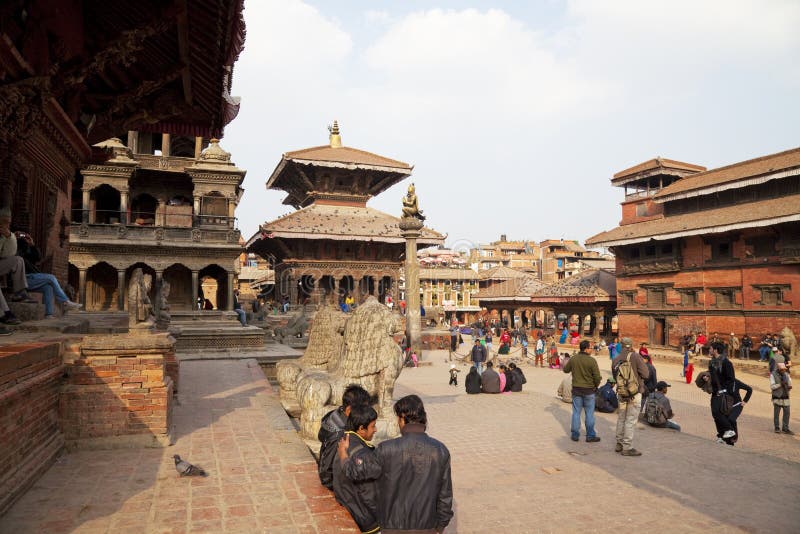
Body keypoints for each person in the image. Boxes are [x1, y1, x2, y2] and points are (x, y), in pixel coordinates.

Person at [340, 395, 453, 533]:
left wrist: (343, 455)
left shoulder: (386, 449)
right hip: (427, 527)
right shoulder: (440, 450)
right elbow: (445, 496)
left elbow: (355, 471)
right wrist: (440, 526)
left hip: (392, 527)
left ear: (402, 418)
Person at [333, 404, 380, 534]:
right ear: (361, 429)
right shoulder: (362, 454)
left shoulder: (343, 439)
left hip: (347, 502)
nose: (375, 430)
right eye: (373, 426)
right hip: (364, 517)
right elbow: (369, 493)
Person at [15, 231, 82, 318]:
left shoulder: (26, 249)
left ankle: (48, 314)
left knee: (48, 287)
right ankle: (65, 302)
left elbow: (37, 258)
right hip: (22, 279)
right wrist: (13, 240)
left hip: (31, 279)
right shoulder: (13, 248)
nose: (21, 237)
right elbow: (14, 256)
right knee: (51, 278)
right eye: (19, 235)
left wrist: (32, 245)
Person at [317, 384, 371, 490]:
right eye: (362, 410)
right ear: (349, 410)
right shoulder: (340, 435)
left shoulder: (334, 414)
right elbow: (326, 473)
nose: (365, 413)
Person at [612, 337, 650, 456]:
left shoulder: (616, 358)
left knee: (621, 418)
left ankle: (619, 443)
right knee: (631, 420)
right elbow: (646, 374)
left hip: (621, 392)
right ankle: (627, 447)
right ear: (631, 345)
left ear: (621, 345)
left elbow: (614, 376)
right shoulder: (635, 356)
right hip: (634, 393)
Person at [0, 207, 34, 325]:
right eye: (4, 222)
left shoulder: (7, 235)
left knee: (18, 260)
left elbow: (8, 254)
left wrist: (9, 237)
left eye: (8, 222)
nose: (6, 225)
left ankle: (19, 292)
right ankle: (6, 314)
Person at [564, 340, 602, 442]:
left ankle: (575, 435)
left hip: (576, 389)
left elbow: (565, 370)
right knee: (589, 413)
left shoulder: (574, 358)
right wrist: (595, 385)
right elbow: (597, 377)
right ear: (586, 348)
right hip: (589, 390)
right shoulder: (592, 361)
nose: (592, 350)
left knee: (576, 412)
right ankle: (590, 435)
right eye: (591, 348)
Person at [703, 341, 737, 444]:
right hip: (715, 392)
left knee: (718, 413)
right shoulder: (712, 362)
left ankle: (730, 430)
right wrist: (707, 377)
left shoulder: (726, 363)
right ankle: (721, 435)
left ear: (716, 350)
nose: (709, 350)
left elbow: (731, 379)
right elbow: (713, 376)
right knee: (715, 414)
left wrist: (723, 390)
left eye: (710, 349)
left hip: (723, 393)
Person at [770, 362, 793, 434]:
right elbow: (772, 387)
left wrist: (789, 387)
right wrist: (780, 384)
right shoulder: (773, 375)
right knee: (776, 413)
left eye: (784, 369)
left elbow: (790, 383)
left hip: (786, 395)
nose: (783, 371)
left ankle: (785, 428)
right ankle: (777, 427)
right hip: (777, 396)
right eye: (782, 370)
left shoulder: (786, 375)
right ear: (778, 369)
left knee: (787, 413)